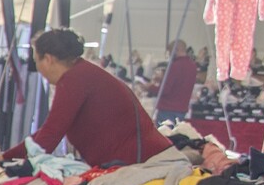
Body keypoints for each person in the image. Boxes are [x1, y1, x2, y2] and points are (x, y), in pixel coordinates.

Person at [29, 27, 171, 167]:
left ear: (48, 59)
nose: (38, 69)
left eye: (36, 61)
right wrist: (9, 155)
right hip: (142, 158)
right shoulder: (82, 72)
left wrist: (22, 163)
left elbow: (51, 132)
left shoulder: (74, 79)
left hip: (140, 163)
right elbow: (51, 130)